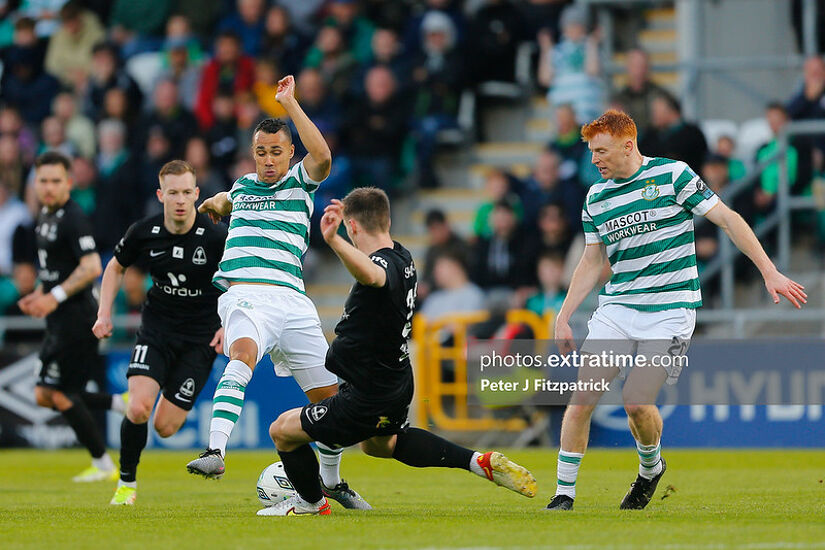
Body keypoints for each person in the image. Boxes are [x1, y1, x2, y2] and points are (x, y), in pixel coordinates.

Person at [545, 110, 806, 512]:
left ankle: (650, 469)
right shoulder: (596, 197)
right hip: (617, 308)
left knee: (635, 401)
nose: (594, 160)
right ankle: (563, 495)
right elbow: (591, 261)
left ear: (628, 145)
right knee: (581, 400)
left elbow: (727, 219)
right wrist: (564, 315)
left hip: (670, 310)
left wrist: (769, 271)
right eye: (591, 151)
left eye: (601, 151)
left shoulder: (672, 176)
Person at [258, 188, 537, 516]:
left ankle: (310, 503)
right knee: (380, 444)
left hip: (368, 392)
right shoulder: (403, 256)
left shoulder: (378, 264)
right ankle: (477, 462)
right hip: (394, 381)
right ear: (387, 220)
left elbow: (373, 275)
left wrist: (334, 241)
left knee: (282, 430)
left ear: (353, 228)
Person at [186, 76, 369, 510]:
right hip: (245, 292)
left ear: (290, 153)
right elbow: (226, 201)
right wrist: (215, 202)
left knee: (332, 403)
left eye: (277, 152)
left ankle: (331, 483)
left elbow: (323, 155)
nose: (268, 160)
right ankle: (216, 452)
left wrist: (290, 104)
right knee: (242, 356)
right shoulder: (243, 187)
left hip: (293, 299)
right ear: (254, 154)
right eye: (261, 152)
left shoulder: (300, 184)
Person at [92, 160, 227, 505]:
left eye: (186, 192)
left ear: (197, 194)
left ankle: (152, 393)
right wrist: (104, 312)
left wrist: (229, 324)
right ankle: (126, 485)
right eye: (173, 193)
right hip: (157, 330)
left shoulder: (215, 236)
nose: (180, 200)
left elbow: (239, 281)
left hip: (200, 339)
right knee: (138, 409)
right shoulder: (144, 231)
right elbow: (115, 267)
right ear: (161, 194)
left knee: (166, 427)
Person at [18, 151, 127, 483]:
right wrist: (40, 293)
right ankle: (120, 403)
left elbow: (92, 267)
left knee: (60, 393)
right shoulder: (46, 216)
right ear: (36, 184)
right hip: (58, 318)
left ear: (69, 182)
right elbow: (55, 269)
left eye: (55, 181)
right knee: (45, 393)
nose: (48, 188)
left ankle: (103, 464)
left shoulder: (72, 217)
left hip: (77, 317)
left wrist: (55, 296)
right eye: (43, 181)